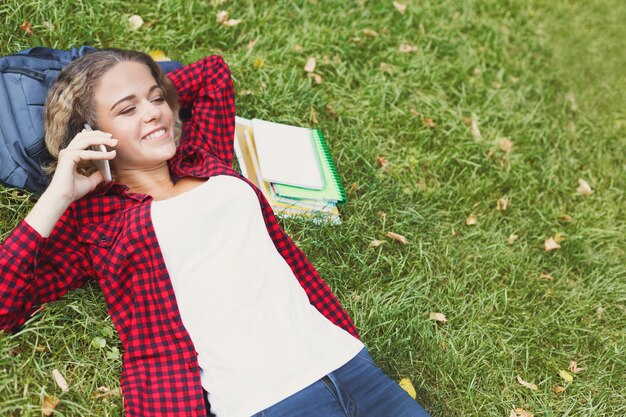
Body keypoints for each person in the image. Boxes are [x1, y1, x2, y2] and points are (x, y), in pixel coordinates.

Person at [0, 49, 431, 417]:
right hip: (266, 401)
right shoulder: (95, 224)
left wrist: (127, 75)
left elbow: (212, 74)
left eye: (157, 98)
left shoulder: (203, 156)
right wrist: (58, 194)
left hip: (352, 366)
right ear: (92, 135)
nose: (154, 112)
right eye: (127, 109)